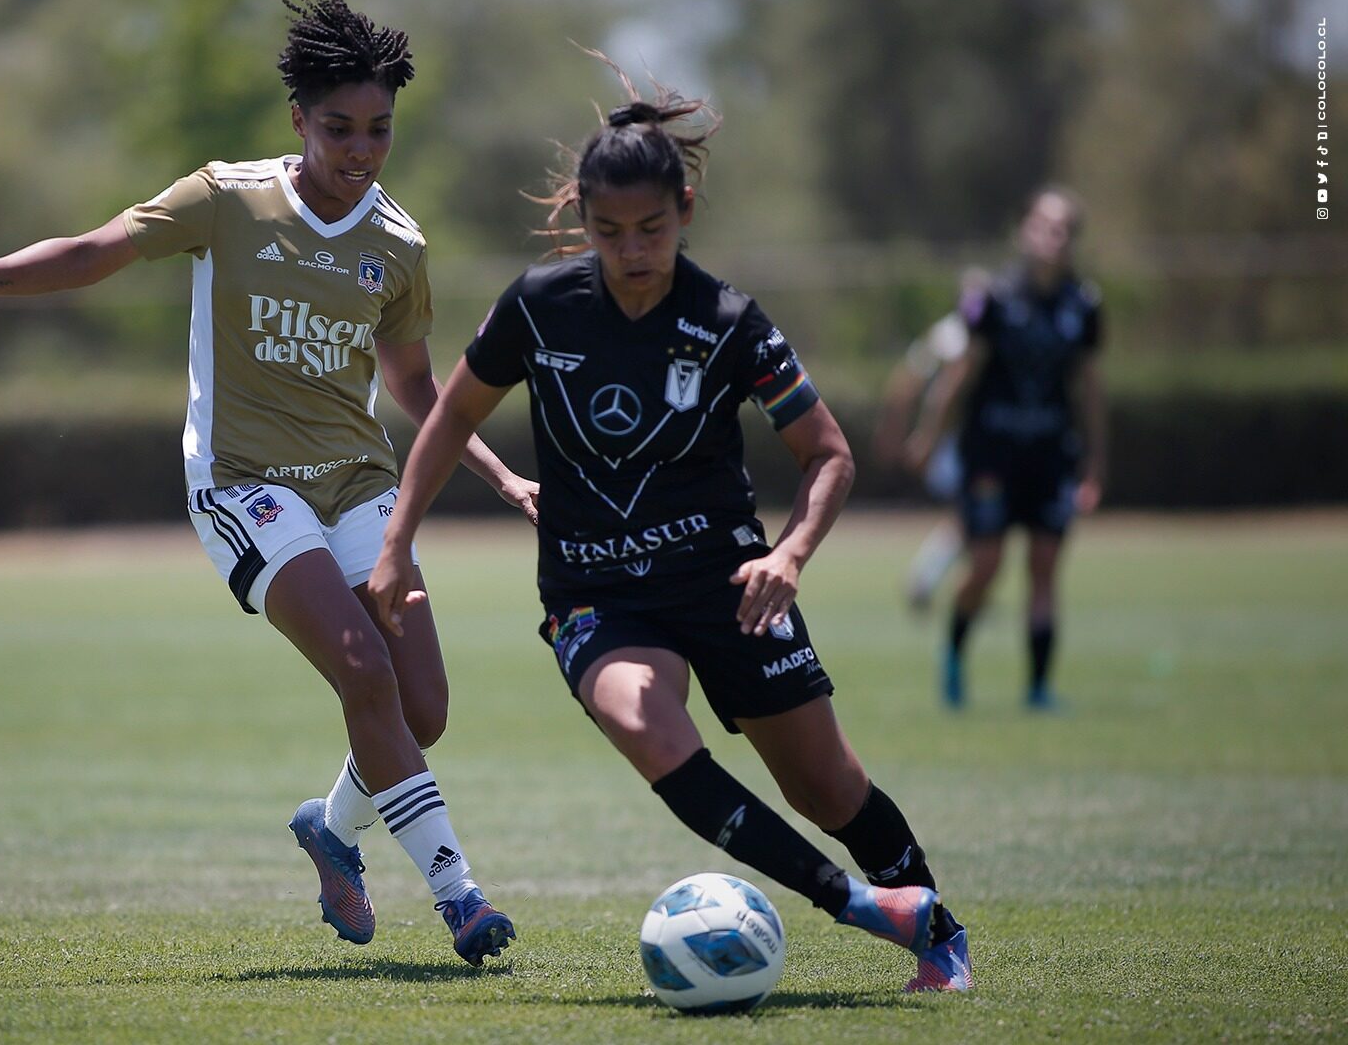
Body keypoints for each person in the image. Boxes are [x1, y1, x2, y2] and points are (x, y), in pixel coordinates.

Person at [0, 0, 533, 967]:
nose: (360, 149)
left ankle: (334, 830)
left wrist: (505, 476)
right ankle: (462, 899)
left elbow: (416, 384)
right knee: (363, 670)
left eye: (379, 129)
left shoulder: (400, 245)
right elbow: (93, 253)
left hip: (356, 483)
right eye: (339, 127)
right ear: (298, 118)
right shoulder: (228, 196)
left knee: (419, 706)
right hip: (245, 481)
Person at [368, 59, 972, 992]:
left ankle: (937, 930)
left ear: (685, 210)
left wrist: (791, 553)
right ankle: (856, 906)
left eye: (651, 228)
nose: (632, 249)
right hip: (594, 594)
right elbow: (449, 415)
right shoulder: (538, 306)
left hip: (728, 583)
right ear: (582, 219)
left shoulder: (729, 320)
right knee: (644, 723)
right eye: (608, 231)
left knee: (824, 786)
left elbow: (831, 454)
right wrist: (398, 537)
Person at [906, 189, 1105, 710]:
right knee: (988, 563)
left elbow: (1088, 388)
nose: (1052, 238)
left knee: (1044, 564)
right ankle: (953, 657)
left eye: (1062, 229)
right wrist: (929, 436)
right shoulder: (992, 298)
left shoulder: (1083, 305)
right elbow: (960, 374)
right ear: (1025, 232)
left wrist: (1095, 463)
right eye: (1043, 226)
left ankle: (1038, 689)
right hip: (992, 454)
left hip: (1050, 455)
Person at [871, 268, 988, 612]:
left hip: (969, 445)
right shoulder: (950, 337)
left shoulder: (983, 334)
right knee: (972, 519)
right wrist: (905, 434)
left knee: (974, 519)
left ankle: (946, 582)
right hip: (952, 448)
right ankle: (926, 580)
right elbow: (908, 383)